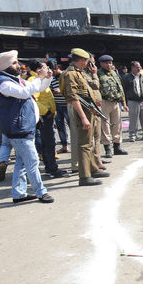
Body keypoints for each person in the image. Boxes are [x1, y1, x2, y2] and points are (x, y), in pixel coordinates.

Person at [0, 50, 55, 203]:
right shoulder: (3, 83)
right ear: (6, 66)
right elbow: (25, 93)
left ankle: (19, 193)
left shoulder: (14, 79)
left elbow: (36, 88)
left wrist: (46, 78)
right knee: (32, 161)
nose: (18, 65)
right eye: (14, 63)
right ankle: (41, 192)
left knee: (22, 162)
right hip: (18, 129)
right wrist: (39, 76)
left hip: (24, 127)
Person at [60, 49, 109, 186]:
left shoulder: (78, 73)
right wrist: (83, 117)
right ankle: (84, 176)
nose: (88, 63)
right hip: (81, 111)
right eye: (87, 60)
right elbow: (73, 97)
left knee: (89, 143)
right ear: (82, 60)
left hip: (88, 110)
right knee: (84, 145)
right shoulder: (71, 74)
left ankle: (93, 169)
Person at [28, 60, 67, 179]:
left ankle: (50, 167)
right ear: (39, 69)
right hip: (44, 117)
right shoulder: (33, 81)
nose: (48, 69)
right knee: (48, 143)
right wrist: (47, 112)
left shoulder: (41, 80)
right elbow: (34, 100)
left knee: (47, 143)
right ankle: (52, 169)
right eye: (45, 67)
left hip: (47, 116)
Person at [97, 54, 128, 157]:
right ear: (101, 64)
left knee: (117, 125)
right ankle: (107, 149)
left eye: (110, 62)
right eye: (106, 63)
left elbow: (120, 88)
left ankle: (117, 147)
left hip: (116, 103)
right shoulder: (97, 74)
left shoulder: (114, 74)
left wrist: (124, 103)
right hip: (104, 102)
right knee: (105, 126)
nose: (109, 65)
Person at [122, 60, 143, 141]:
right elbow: (124, 89)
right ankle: (132, 136)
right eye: (137, 67)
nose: (139, 68)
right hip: (132, 101)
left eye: (140, 67)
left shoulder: (142, 76)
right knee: (133, 119)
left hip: (142, 100)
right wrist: (124, 103)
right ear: (132, 68)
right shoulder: (126, 77)